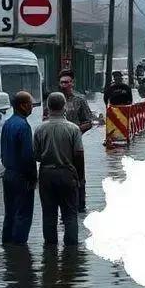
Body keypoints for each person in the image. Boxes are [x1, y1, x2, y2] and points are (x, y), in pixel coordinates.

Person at [34, 92, 85, 245]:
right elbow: (79, 155)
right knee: (70, 215)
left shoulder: (39, 129)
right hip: (68, 174)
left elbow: (36, 156)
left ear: (48, 108)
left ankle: (50, 253)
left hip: (46, 175)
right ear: (64, 107)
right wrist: (80, 179)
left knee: (49, 215)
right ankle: (71, 254)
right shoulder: (74, 129)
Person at [56, 69, 96, 213]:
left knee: (79, 175)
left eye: (66, 82)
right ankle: (63, 206)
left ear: (72, 83)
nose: (64, 85)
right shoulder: (54, 100)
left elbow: (89, 122)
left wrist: (76, 131)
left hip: (75, 145)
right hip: (57, 146)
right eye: (61, 82)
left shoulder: (79, 100)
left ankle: (80, 205)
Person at [0, 91, 37, 245]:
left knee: (10, 213)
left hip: (8, 174)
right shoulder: (24, 126)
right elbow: (28, 156)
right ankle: (19, 252)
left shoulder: (7, 124)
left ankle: (7, 247)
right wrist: (33, 177)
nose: (32, 107)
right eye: (30, 104)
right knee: (23, 213)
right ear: (22, 106)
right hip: (21, 176)